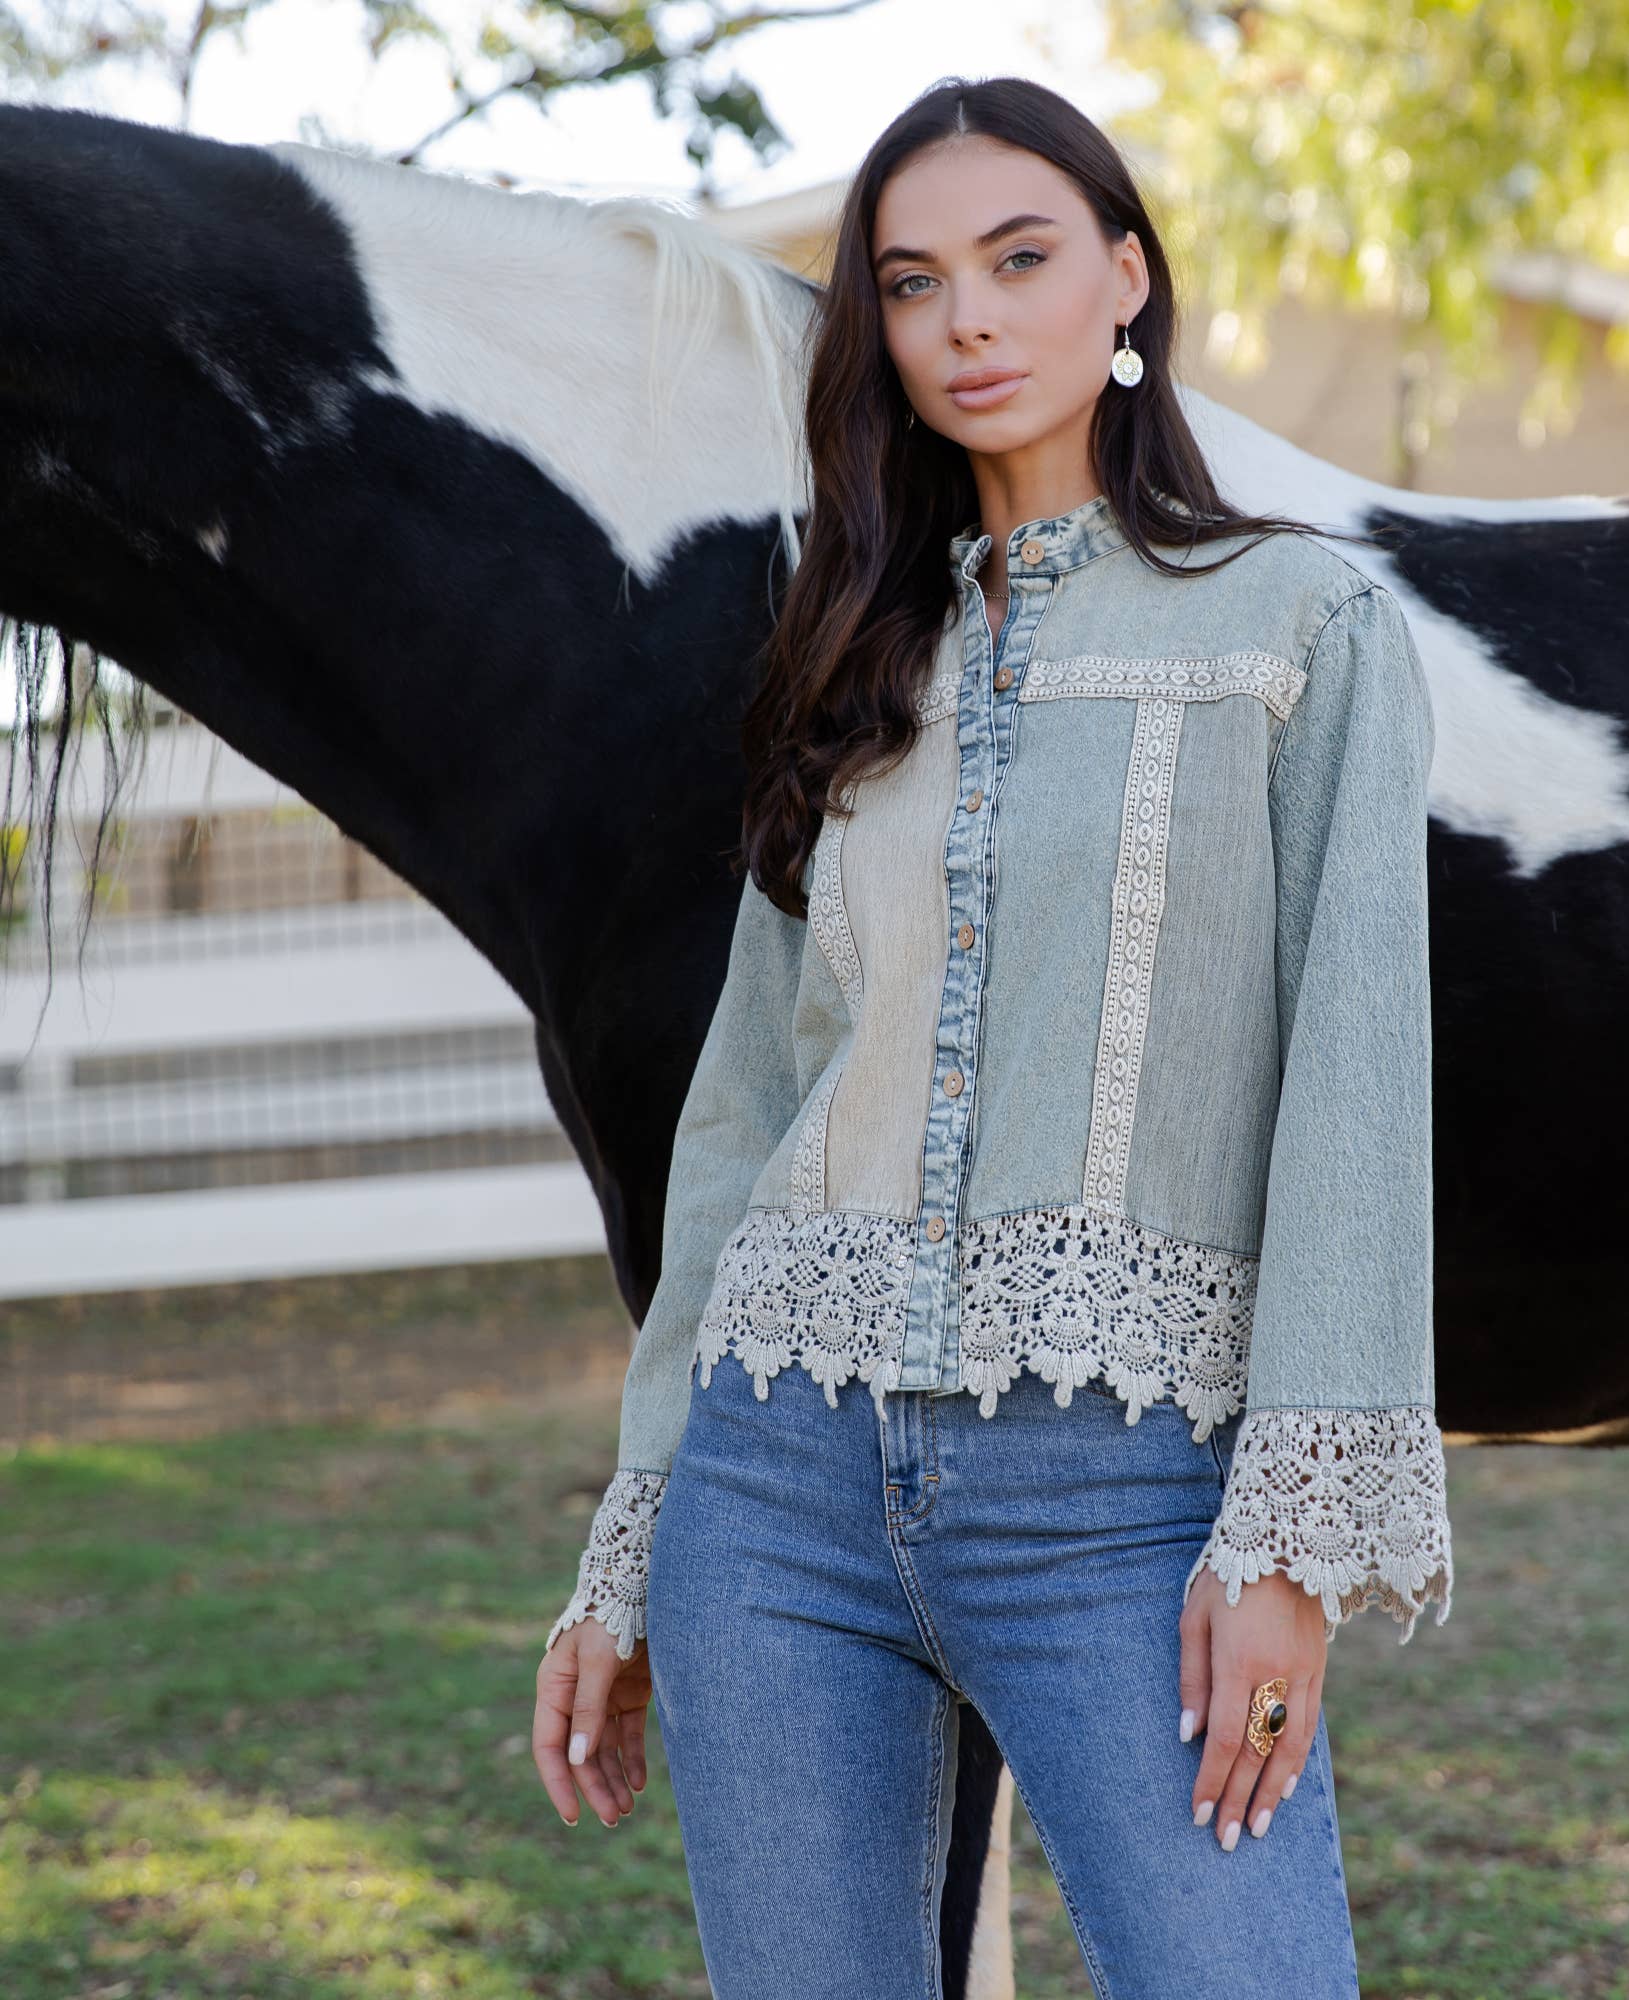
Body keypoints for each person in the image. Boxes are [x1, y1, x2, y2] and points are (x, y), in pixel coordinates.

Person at [531, 72, 1452, 1997]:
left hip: (1123, 1502)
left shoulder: (1299, 627)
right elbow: (745, 1111)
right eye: (913, 281)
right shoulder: (850, 653)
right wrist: (637, 1534)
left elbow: (1358, 1090)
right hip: (775, 1497)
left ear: (1126, 278)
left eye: (1020, 260)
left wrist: (1288, 1542)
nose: (968, 320)